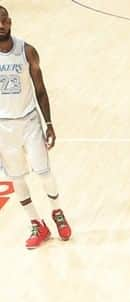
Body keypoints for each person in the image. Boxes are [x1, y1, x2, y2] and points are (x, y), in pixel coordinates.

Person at [0, 6, 72, 249]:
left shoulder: (27, 51)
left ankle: (57, 212)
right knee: (17, 178)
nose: (0, 26)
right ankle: (36, 223)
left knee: (44, 173)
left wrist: (49, 123)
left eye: (3, 21)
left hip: (29, 121)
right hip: (3, 127)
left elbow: (40, 89)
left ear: (9, 21)